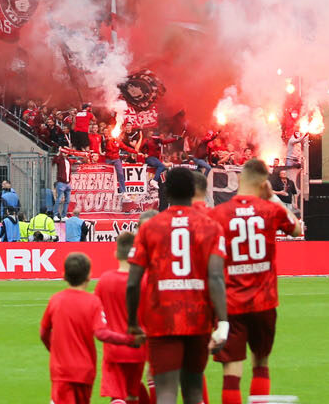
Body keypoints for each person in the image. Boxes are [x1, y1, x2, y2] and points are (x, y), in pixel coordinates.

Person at [126, 167, 226, 404]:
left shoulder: (150, 227)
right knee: (194, 391)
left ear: (167, 191)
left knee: (166, 393)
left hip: (161, 318)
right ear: (194, 191)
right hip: (198, 318)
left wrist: (132, 323)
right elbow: (216, 277)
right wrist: (222, 323)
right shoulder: (210, 226)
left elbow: (132, 283)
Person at [210, 158, 304, 404]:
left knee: (231, 370)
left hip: (232, 302)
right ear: (264, 184)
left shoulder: (219, 214)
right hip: (264, 300)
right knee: (261, 362)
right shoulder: (270, 209)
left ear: (240, 179)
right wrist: (272, 197)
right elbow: (297, 230)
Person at [41, 251, 138, 404]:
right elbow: (101, 333)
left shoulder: (56, 300)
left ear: (64, 276)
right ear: (88, 276)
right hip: (85, 371)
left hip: (61, 370)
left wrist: (54, 349)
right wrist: (128, 339)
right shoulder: (93, 302)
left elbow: (44, 332)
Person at [95, 231, 149, 404]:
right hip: (139, 347)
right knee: (133, 394)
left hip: (114, 347)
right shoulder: (145, 280)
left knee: (118, 396)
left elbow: (97, 312)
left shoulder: (105, 280)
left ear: (116, 253)